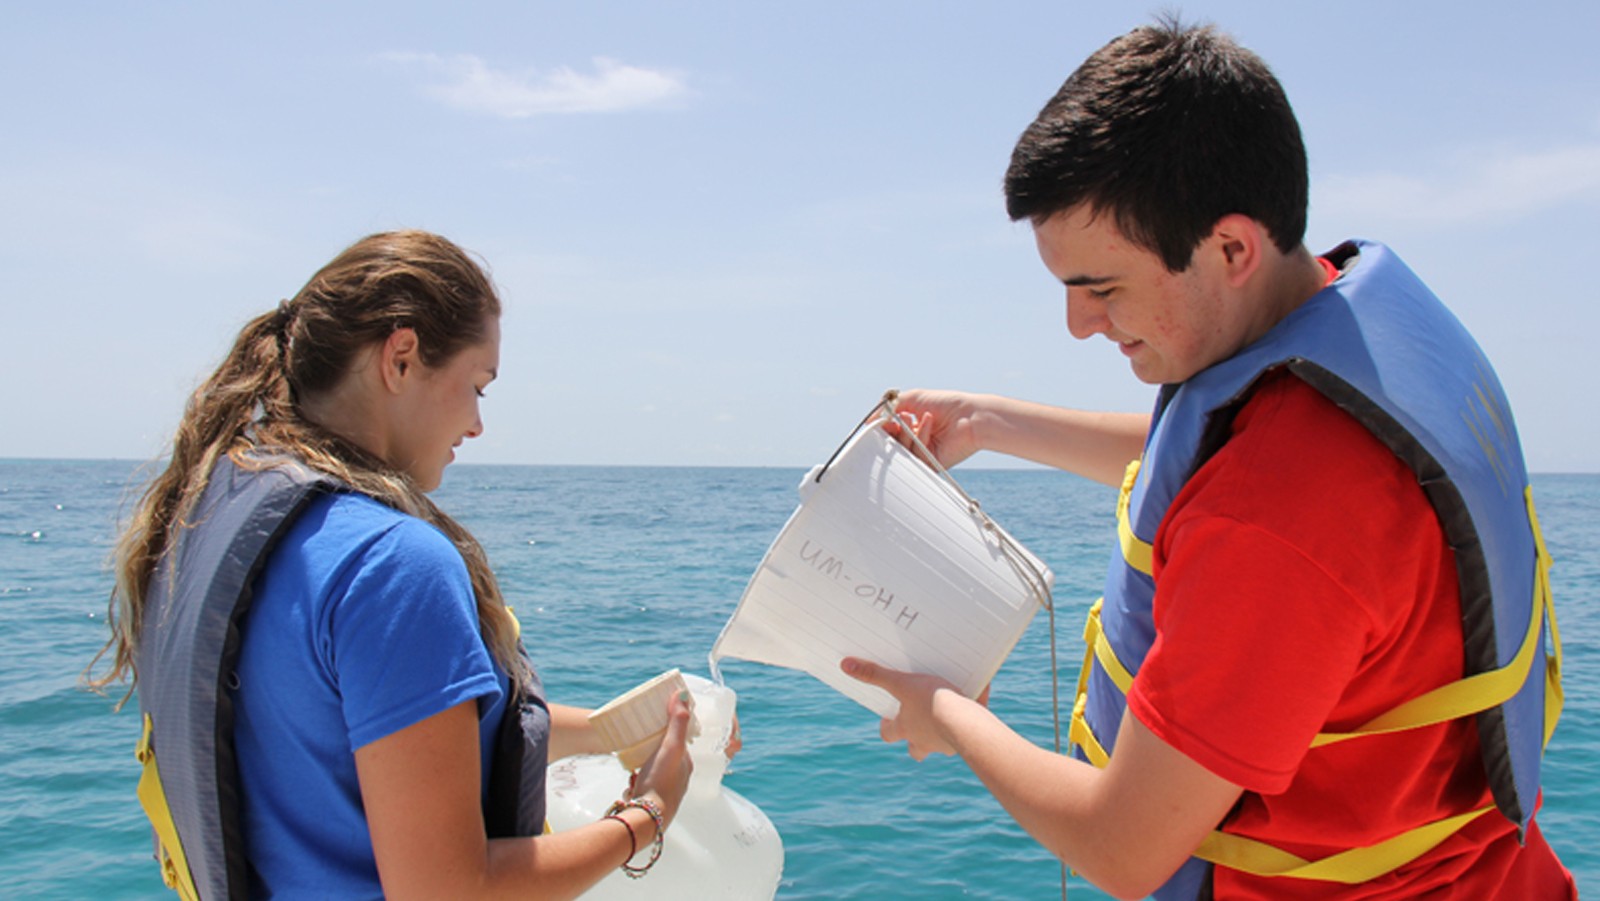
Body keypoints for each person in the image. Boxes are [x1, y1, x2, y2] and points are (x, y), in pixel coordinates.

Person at [841, 18, 1574, 900]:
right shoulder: (1352, 339)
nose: (1078, 325)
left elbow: (1120, 846)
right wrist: (988, 422)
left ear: (1231, 247)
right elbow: (1209, 459)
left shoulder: (1280, 519)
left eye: (1100, 288)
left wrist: (945, 714)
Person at [89, 230, 696, 900]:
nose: (476, 424)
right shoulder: (392, 564)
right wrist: (649, 813)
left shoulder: (207, 516)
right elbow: (447, 890)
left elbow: (389, 732)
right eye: (478, 386)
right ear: (402, 358)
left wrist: (625, 733)